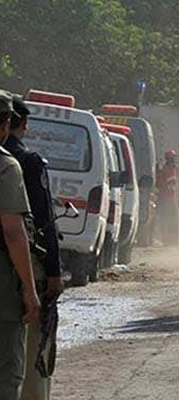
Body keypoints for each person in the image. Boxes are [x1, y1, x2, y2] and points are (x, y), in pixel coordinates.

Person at [4, 96, 63, 400]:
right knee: (30, 356)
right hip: (21, 269)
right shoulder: (24, 163)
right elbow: (42, 222)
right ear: (21, 124)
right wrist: (53, 273)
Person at [0, 90, 41, 400]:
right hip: (2, 295)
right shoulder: (6, 167)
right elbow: (14, 232)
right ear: (5, 125)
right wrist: (30, 290)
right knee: (6, 375)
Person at [156, 150, 179, 246]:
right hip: (167, 199)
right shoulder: (168, 169)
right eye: (173, 158)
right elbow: (164, 184)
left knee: (171, 220)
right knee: (169, 219)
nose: (174, 160)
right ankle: (168, 240)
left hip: (169, 198)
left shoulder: (170, 169)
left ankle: (172, 240)